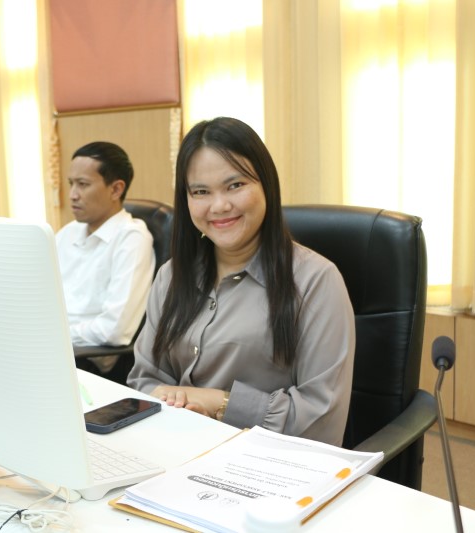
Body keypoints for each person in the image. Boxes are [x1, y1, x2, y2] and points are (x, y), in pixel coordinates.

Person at [127, 117, 355, 446]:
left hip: (268, 461)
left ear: (266, 184)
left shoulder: (315, 281)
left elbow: (320, 419)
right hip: (177, 448)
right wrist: (177, 402)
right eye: (201, 192)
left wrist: (219, 402)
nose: (219, 206)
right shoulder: (172, 275)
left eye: (235, 185)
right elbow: (144, 379)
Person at [55, 141, 155, 374]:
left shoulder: (132, 238)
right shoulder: (68, 233)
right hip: (54, 347)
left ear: (116, 189)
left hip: (88, 361)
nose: (72, 195)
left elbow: (115, 330)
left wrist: (56, 334)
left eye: (83, 184)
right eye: (71, 184)